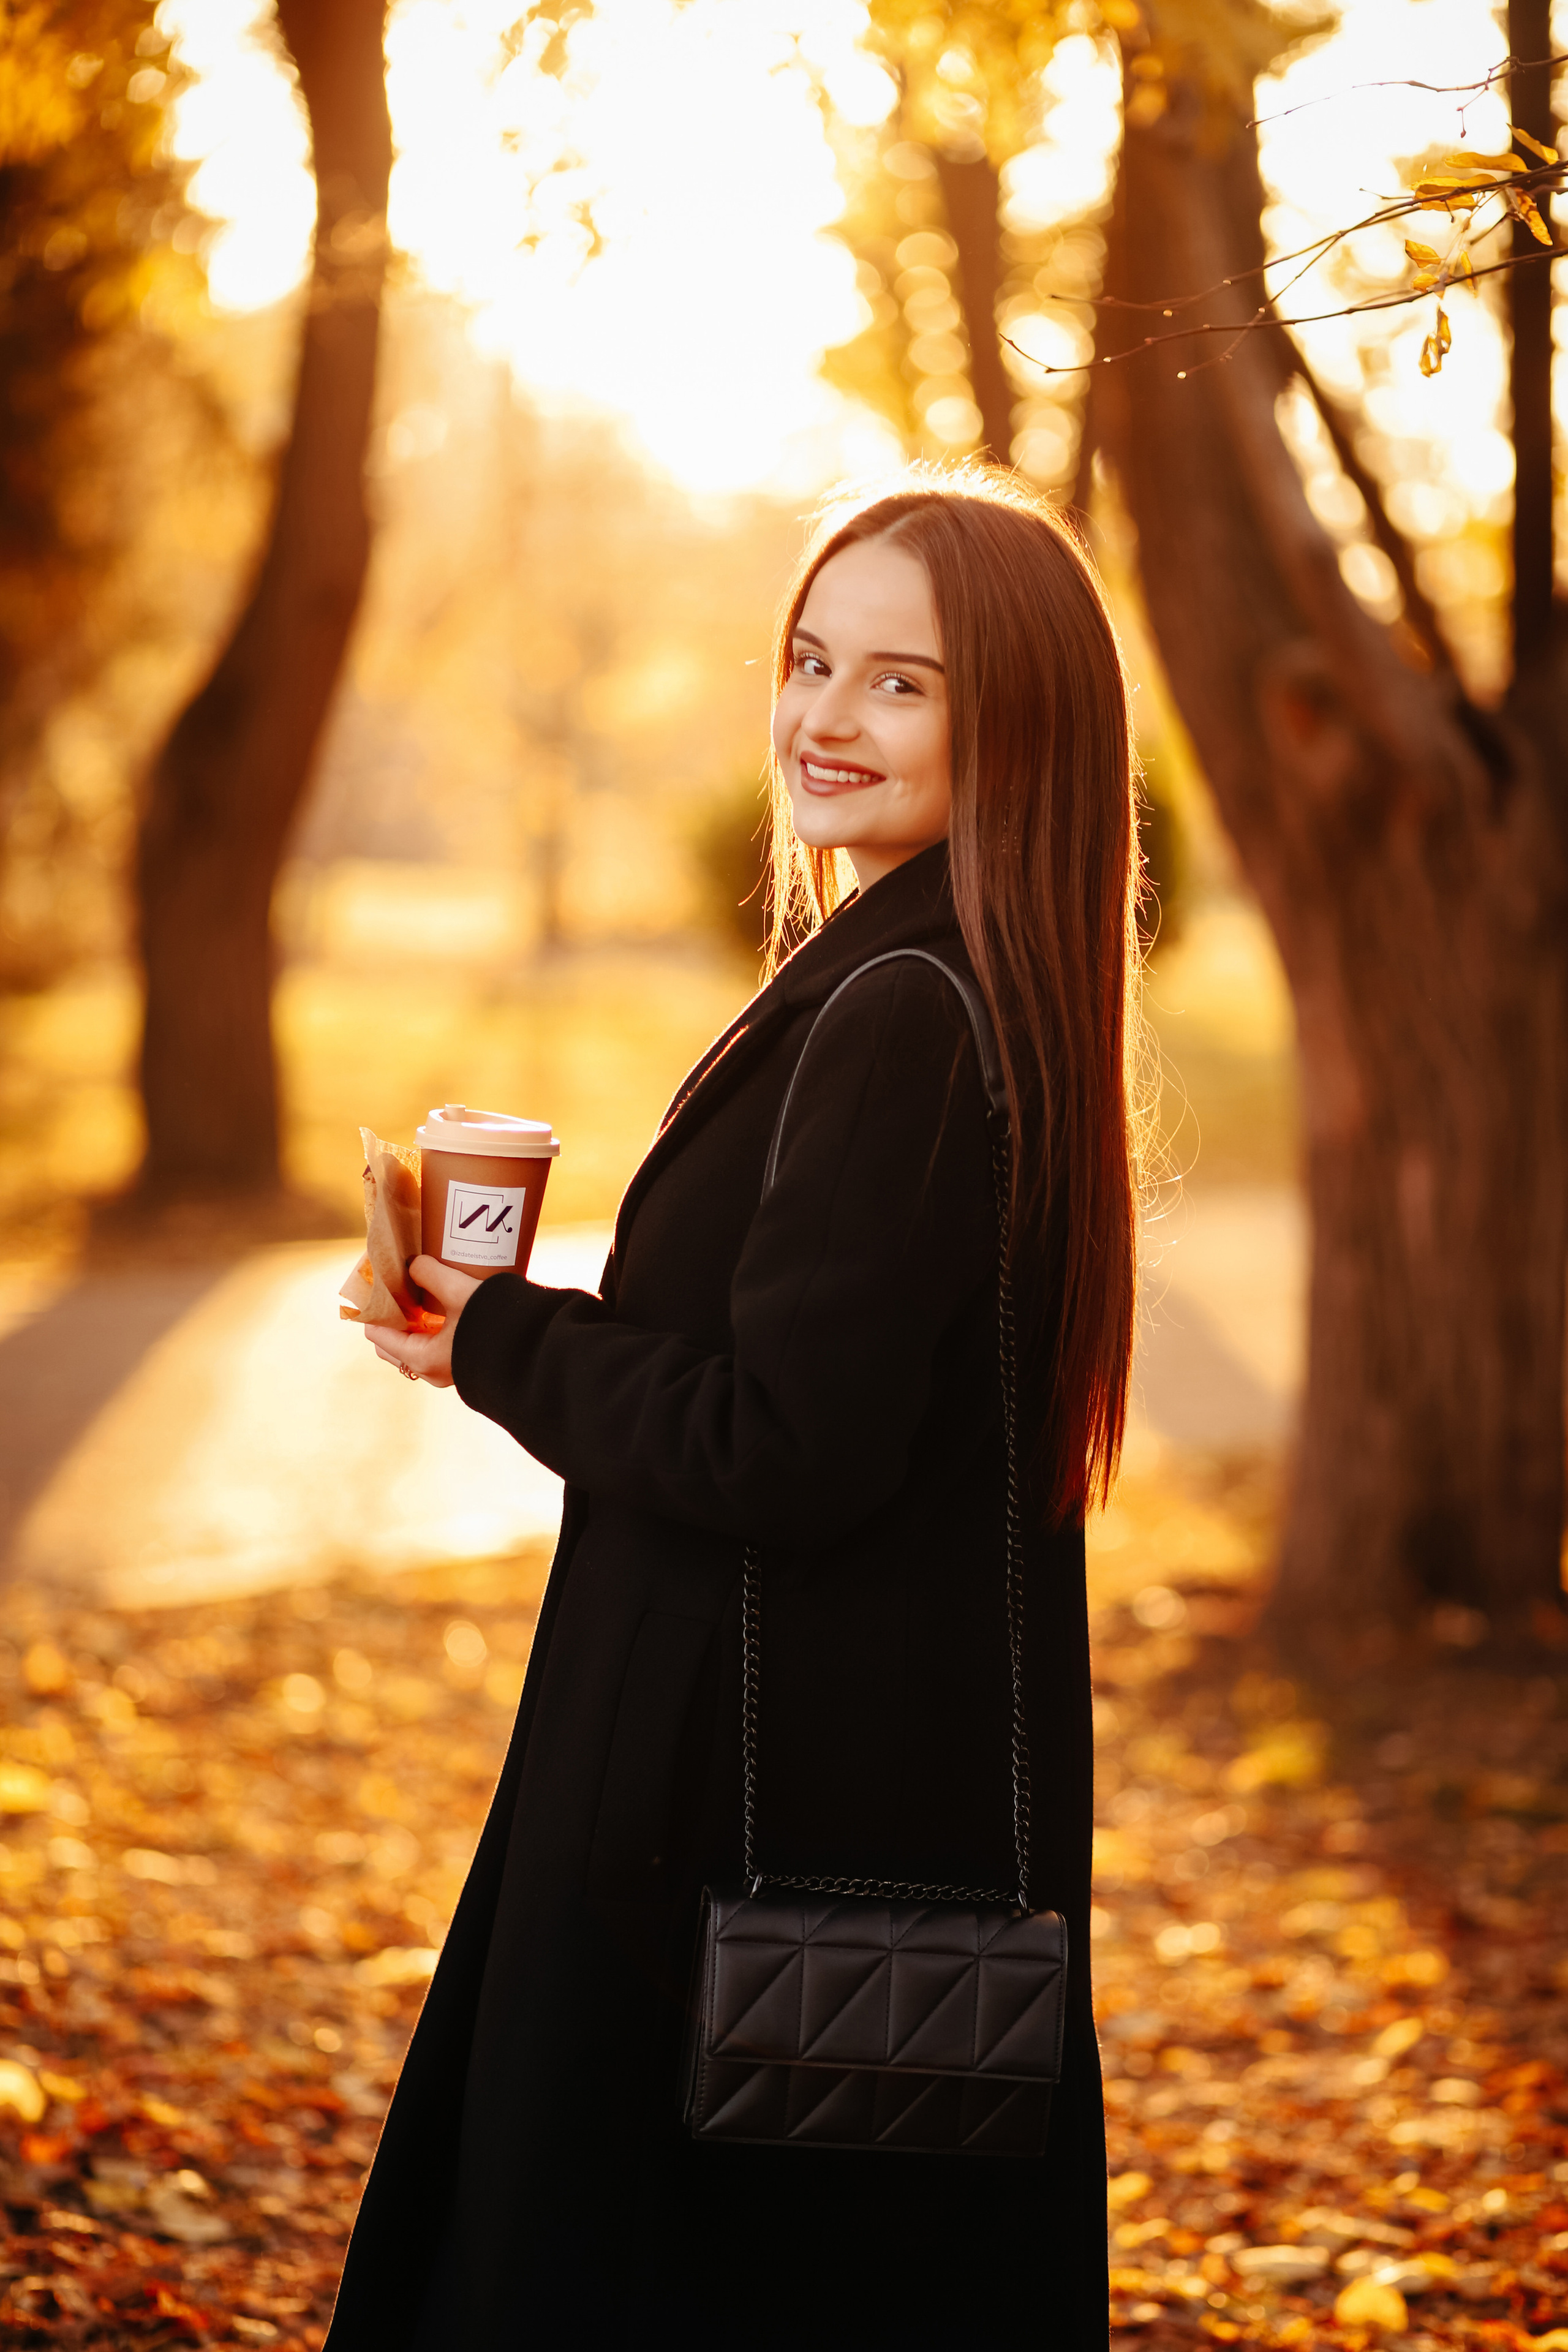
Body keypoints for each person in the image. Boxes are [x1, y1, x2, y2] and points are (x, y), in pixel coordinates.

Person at [328, 466, 1143, 2347]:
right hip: (825, 1799)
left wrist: (498, 1340)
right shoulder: (956, 979)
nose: (824, 717)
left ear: (1015, 718)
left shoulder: (908, 1015)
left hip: (723, 1823)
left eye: (900, 684)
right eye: (809, 661)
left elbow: (788, 1449)